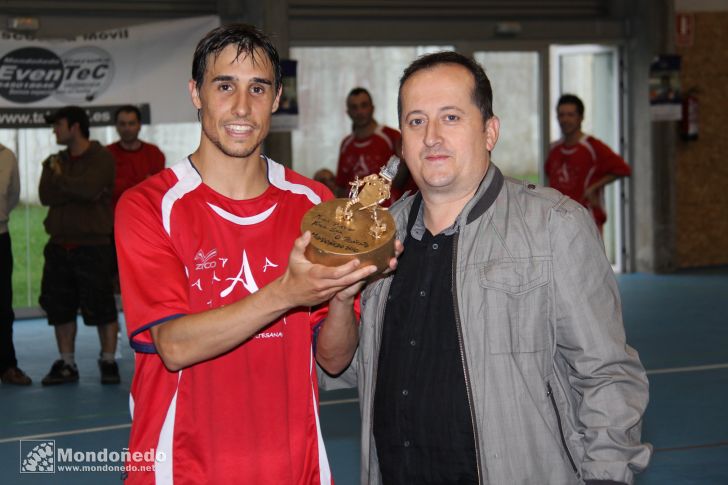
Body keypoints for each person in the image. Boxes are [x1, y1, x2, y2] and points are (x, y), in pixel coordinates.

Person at [317, 52, 652, 484]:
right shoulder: (378, 236)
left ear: (489, 131)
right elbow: (346, 366)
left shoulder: (554, 226)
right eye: (416, 121)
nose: (432, 137)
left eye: (451, 117)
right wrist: (335, 301)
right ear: (402, 141)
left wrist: (606, 477)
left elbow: (607, 374)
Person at [115, 24, 390, 484]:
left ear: (277, 97)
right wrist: (287, 291)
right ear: (196, 93)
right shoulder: (149, 206)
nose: (242, 107)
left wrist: (342, 294)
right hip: (180, 467)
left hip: (293, 464)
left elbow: (335, 360)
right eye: (225, 86)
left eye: (257, 88)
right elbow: (174, 346)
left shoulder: (314, 204)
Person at [38, 106, 120, 386]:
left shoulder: (102, 158)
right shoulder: (53, 160)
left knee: (102, 307)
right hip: (59, 246)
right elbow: (45, 196)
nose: (54, 130)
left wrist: (62, 180)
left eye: (57, 125)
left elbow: (88, 190)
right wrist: (77, 189)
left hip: (94, 246)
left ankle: (108, 360)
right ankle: (67, 363)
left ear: (74, 127)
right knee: (59, 308)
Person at [545, 94, 631, 233]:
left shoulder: (592, 147)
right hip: (558, 221)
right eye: (561, 115)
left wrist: (593, 188)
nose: (565, 119)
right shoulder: (553, 149)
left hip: (587, 220)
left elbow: (623, 169)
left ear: (580, 118)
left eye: (570, 115)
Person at [335, 87, 413, 202]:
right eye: (354, 107)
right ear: (348, 112)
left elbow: (400, 182)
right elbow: (341, 187)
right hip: (355, 214)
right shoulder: (346, 144)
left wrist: (404, 164)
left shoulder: (392, 137)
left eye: (364, 105)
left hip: (388, 211)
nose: (359, 112)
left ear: (372, 108)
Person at [0, 142, 31, 385]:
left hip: (0, 236)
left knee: (3, 306)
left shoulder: (6, 155)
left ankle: (8, 366)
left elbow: (13, 196)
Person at [107, 105, 165, 211]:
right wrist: (143, 180)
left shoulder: (154, 153)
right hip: (114, 216)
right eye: (122, 124)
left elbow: (157, 188)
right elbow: (107, 189)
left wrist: (123, 184)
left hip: (147, 213)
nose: (127, 128)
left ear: (139, 125)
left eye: (131, 123)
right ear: (116, 126)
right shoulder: (106, 153)